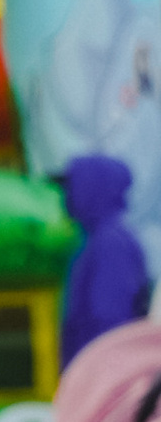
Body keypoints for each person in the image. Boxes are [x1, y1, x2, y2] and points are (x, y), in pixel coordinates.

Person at [59, 153, 148, 371]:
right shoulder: (96, 238)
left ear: (91, 187)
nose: (65, 196)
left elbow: (109, 320)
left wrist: (97, 376)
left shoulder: (110, 243)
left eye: (71, 187)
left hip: (102, 372)